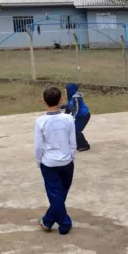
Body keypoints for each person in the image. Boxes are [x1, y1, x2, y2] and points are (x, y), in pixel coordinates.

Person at [35, 86, 77, 235]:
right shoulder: (68, 119)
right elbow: (73, 142)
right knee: (60, 194)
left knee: (56, 195)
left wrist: (39, 161)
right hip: (66, 162)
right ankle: (49, 221)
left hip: (49, 163)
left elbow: (38, 146)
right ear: (61, 100)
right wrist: (71, 156)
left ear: (43, 101)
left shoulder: (41, 121)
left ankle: (62, 223)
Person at [64, 83, 91, 151]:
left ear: (70, 90)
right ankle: (77, 143)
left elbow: (76, 109)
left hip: (84, 116)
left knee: (76, 130)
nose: (65, 92)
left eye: (66, 90)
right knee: (72, 130)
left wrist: (72, 118)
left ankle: (85, 145)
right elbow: (68, 107)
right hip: (79, 116)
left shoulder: (76, 98)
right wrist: (65, 116)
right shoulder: (71, 97)